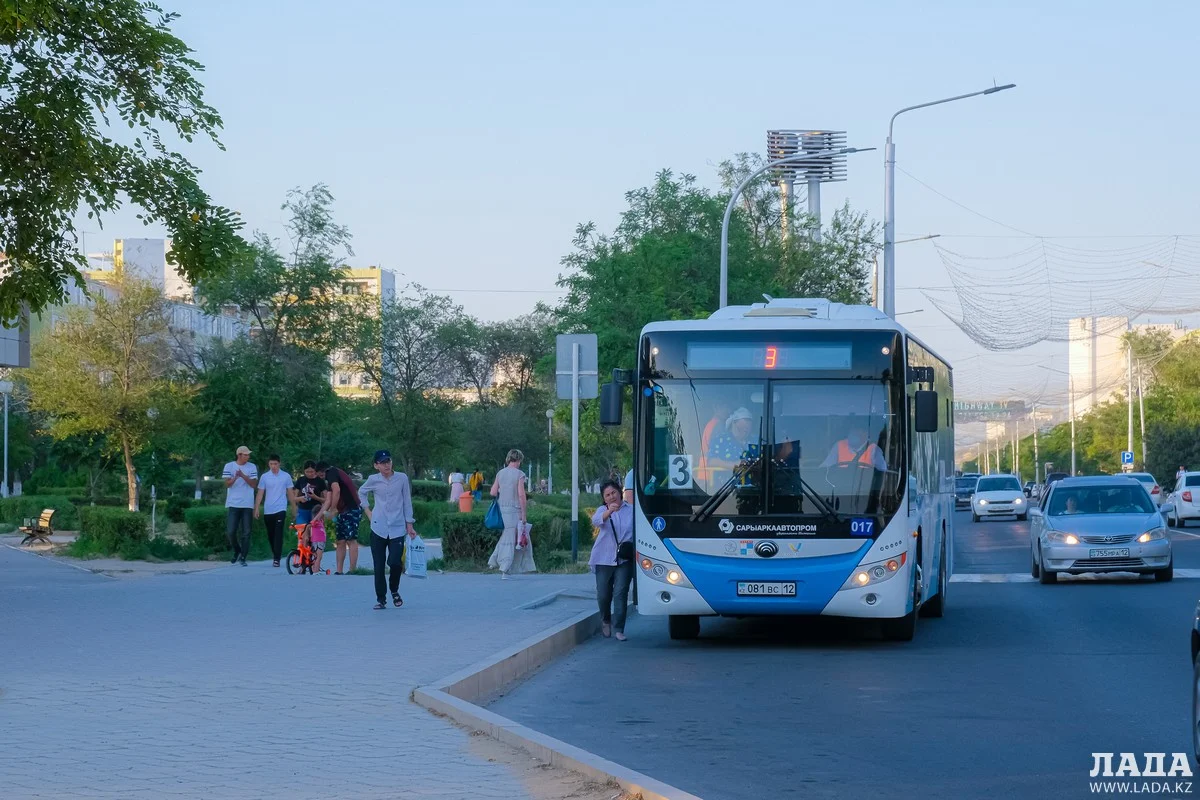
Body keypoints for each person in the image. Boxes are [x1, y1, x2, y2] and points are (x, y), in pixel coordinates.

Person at [359, 450, 416, 610]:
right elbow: (361, 493)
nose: (386, 465)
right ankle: (381, 598)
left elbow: (407, 501)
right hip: (378, 527)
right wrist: (368, 511)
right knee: (379, 565)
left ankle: (394, 590)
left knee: (395, 562)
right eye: (383, 462)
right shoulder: (373, 480)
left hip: (397, 528)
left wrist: (409, 524)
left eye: (388, 461)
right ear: (376, 465)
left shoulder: (402, 478)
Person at [589, 479, 634, 641]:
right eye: (607, 495)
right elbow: (595, 521)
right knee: (603, 594)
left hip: (624, 559)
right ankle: (605, 620)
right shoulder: (602, 510)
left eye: (613, 492)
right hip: (603, 558)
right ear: (604, 498)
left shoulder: (631, 510)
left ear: (619, 492)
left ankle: (619, 629)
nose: (611, 497)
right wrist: (608, 513)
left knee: (620, 593)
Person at [487, 449, 536, 579]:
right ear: (519, 460)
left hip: (502, 509)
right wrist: (524, 514)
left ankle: (495, 560)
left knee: (509, 535)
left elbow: (492, 492)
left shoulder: (500, 473)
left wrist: (504, 490)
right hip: (515, 509)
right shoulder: (519, 474)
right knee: (512, 538)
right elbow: (521, 495)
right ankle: (504, 568)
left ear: (509, 459)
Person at [318, 461, 362, 575]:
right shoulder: (331, 478)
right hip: (343, 510)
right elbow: (328, 500)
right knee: (340, 540)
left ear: (323, 471)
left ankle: (352, 570)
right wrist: (317, 518)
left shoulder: (331, 472)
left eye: (321, 475)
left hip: (352, 508)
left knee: (351, 539)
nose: (322, 478)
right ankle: (339, 570)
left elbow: (336, 490)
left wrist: (333, 510)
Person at [222, 446, 259, 566]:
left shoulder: (251, 467)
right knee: (231, 531)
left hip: (247, 503)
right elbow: (227, 484)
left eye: (248, 455)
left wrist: (243, 476)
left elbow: (253, 484)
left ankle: (243, 556)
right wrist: (236, 477)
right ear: (239, 455)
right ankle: (237, 550)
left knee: (246, 532)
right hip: (233, 503)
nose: (248, 457)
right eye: (245, 455)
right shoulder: (229, 466)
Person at [254, 454, 291, 567]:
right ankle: (275, 553)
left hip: (281, 508)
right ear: (268, 464)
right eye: (271, 464)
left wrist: (294, 507)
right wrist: (256, 508)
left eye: (275, 464)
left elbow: (290, 493)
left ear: (279, 463)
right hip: (268, 509)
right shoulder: (265, 477)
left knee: (278, 533)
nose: (273, 466)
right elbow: (260, 493)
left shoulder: (286, 476)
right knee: (271, 534)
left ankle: (277, 559)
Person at [820, 420, 888, 471]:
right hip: (839, 485)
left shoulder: (874, 449)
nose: (854, 433)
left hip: (866, 487)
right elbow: (825, 466)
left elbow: (883, 472)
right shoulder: (839, 445)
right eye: (852, 430)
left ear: (866, 434)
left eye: (858, 431)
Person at [291, 460, 327, 530]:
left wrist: (316, 497)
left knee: (316, 534)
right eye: (307, 472)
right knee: (302, 534)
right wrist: (300, 498)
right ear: (304, 471)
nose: (309, 474)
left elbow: (326, 500)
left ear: (315, 471)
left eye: (312, 472)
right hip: (302, 510)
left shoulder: (320, 481)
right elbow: (294, 498)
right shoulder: (301, 480)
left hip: (316, 511)